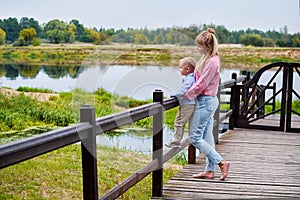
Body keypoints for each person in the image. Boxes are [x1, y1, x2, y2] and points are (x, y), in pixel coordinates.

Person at [185, 28, 230, 180]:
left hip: (205, 102)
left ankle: (221, 162)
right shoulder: (207, 59)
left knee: (195, 137)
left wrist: (186, 95)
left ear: (207, 46)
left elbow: (202, 83)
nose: (197, 48)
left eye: (199, 46)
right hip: (206, 101)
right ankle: (209, 171)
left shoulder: (212, 62)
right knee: (207, 137)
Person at [165, 57, 196, 148]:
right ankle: (179, 139)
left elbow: (183, 91)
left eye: (180, 67)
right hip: (188, 104)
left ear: (187, 69)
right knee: (182, 122)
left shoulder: (189, 79)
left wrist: (173, 95)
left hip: (187, 104)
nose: (179, 69)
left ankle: (176, 141)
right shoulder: (191, 78)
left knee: (179, 122)